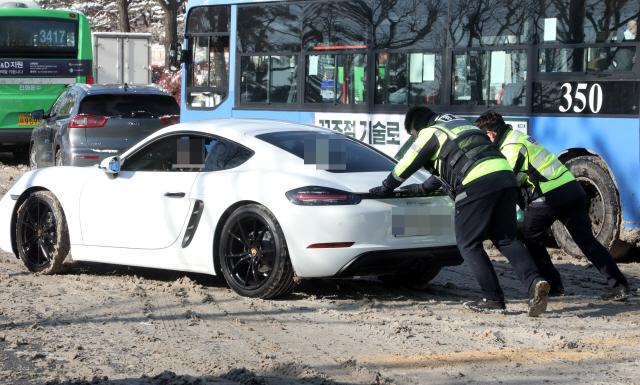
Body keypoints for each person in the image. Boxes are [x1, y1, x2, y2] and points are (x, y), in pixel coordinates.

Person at [369, 106, 550, 316]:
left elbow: (407, 163)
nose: (414, 137)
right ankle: (536, 282)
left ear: (416, 126)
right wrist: (423, 188)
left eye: (413, 133)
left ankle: (493, 299)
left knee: (468, 243)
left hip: (477, 183)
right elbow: (454, 161)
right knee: (507, 240)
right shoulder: (459, 124)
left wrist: (386, 186)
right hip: (505, 178)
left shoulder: (431, 132)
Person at [474, 110, 630, 301]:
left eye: (483, 138)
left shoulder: (511, 147)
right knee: (586, 241)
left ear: (490, 134)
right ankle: (619, 285)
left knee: (530, 235)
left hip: (548, 196)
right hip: (572, 191)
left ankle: (553, 284)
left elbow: (505, 181)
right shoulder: (520, 137)